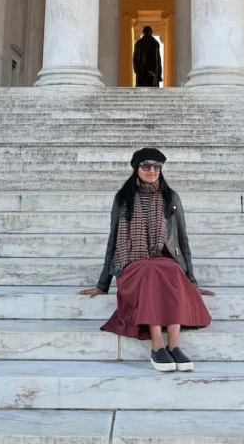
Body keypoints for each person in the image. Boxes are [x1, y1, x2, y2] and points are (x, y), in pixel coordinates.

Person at [79, 148, 214, 372]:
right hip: (132, 264)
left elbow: (181, 239)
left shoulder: (171, 197)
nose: (152, 171)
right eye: (146, 166)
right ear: (136, 168)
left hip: (164, 259)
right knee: (152, 272)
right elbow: (113, 238)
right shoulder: (123, 198)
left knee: (170, 271)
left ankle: (174, 345)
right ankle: (157, 345)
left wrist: (192, 280)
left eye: (157, 167)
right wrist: (103, 284)